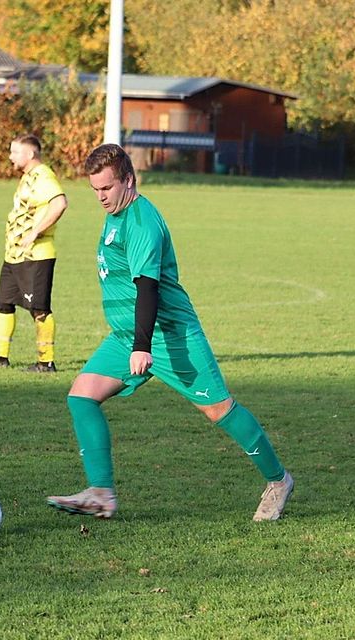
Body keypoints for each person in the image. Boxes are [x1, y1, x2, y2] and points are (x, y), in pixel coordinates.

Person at [47, 143, 293, 521]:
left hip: (167, 334)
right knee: (82, 396)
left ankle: (278, 481)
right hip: (126, 336)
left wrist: (142, 346)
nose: (100, 196)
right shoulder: (116, 212)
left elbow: (148, 286)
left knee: (219, 409)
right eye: (95, 189)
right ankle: (101, 493)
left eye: (106, 188)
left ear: (129, 180)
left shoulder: (142, 221)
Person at [0, 134, 68, 372]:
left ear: (30, 154)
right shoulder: (28, 177)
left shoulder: (44, 176)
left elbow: (60, 203)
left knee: (39, 309)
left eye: (14, 152)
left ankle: (46, 362)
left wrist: (35, 231)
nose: (10, 156)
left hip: (35, 256)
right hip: (15, 255)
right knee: (3, 303)